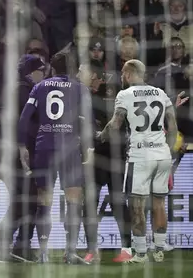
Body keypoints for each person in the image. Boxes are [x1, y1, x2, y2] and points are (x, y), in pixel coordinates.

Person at [97, 59, 178, 264]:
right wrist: (167, 149)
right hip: (162, 154)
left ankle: (141, 253)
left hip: (140, 155)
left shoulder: (124, 94)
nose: (123, 77)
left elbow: (115, 124)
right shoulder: (160, 93)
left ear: (129, 74)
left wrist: (101, 135)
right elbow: (173, 125)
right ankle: (159, 249)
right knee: (159, 203)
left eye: (124, 73)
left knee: (137, 205)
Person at [18, 52, 92, 265]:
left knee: (44, 200)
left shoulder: (40, 87)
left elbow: (24, 118)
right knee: (74, 199)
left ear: (54, 68)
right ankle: (70, 253)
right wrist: (88, 148)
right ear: (74, 69)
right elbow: (87, 122)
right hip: (69, 148)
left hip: (45, 148)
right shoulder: (80, 89)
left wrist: (23, 146)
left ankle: (42, 253)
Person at [0, 54, 46, 263]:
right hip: (19, 156)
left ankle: (13, 246)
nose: (44, 74)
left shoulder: (13, 88)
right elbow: (22, 125)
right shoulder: (24, 90)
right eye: (41, 70)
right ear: (32, 71)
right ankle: (11, 245)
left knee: (24, 201)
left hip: (10, 155)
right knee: (26, 202)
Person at [81, 60, 133, 264]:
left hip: (115, 156)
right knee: (90, 204)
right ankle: (92, 250)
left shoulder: (119, 97)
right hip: (95, 157)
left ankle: (126, 249)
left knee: (119, 203)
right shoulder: (84, 96)